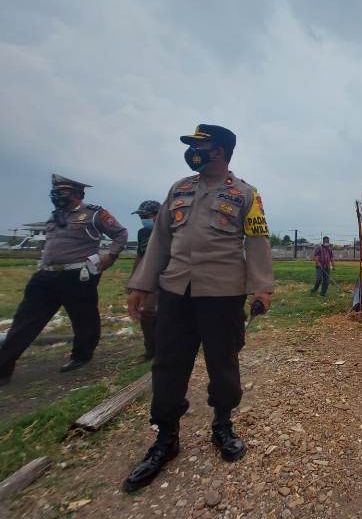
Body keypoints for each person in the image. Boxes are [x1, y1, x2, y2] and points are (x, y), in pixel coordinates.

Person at [122, 124, 274, 493]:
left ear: (219, 151)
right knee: (168, 364)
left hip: (222, 294)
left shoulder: (246, 194)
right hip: (175, 290)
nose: (193, 152)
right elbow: (160, 239)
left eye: (199, 146)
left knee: (223, 362)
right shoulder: (179, 189)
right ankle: (166, 438)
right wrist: (142, 284)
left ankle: (222, 426)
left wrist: (262, 288)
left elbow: (257, 241)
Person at [0, 175, 128, 385]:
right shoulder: (54, 217)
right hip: (46, 275)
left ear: (77, 195)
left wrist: (110, 257)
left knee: (84, 318)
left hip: (77, 275)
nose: (57, 195)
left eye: (62, 192)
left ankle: (81, 355)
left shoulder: (94, 214)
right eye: (55, 192)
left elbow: (120, 234)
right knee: (25, 320)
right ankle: (4, 366)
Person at [129, 200, 161, 361]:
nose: (143, 219)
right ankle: (151, 350)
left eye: (146, 216)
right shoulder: (143, 233)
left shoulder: (168, 230)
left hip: (165, 277)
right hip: (147, 279)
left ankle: (162, 349)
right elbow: (140, 256)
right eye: (141, 216)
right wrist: (133, 281)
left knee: (158, 313)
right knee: (146, 313)